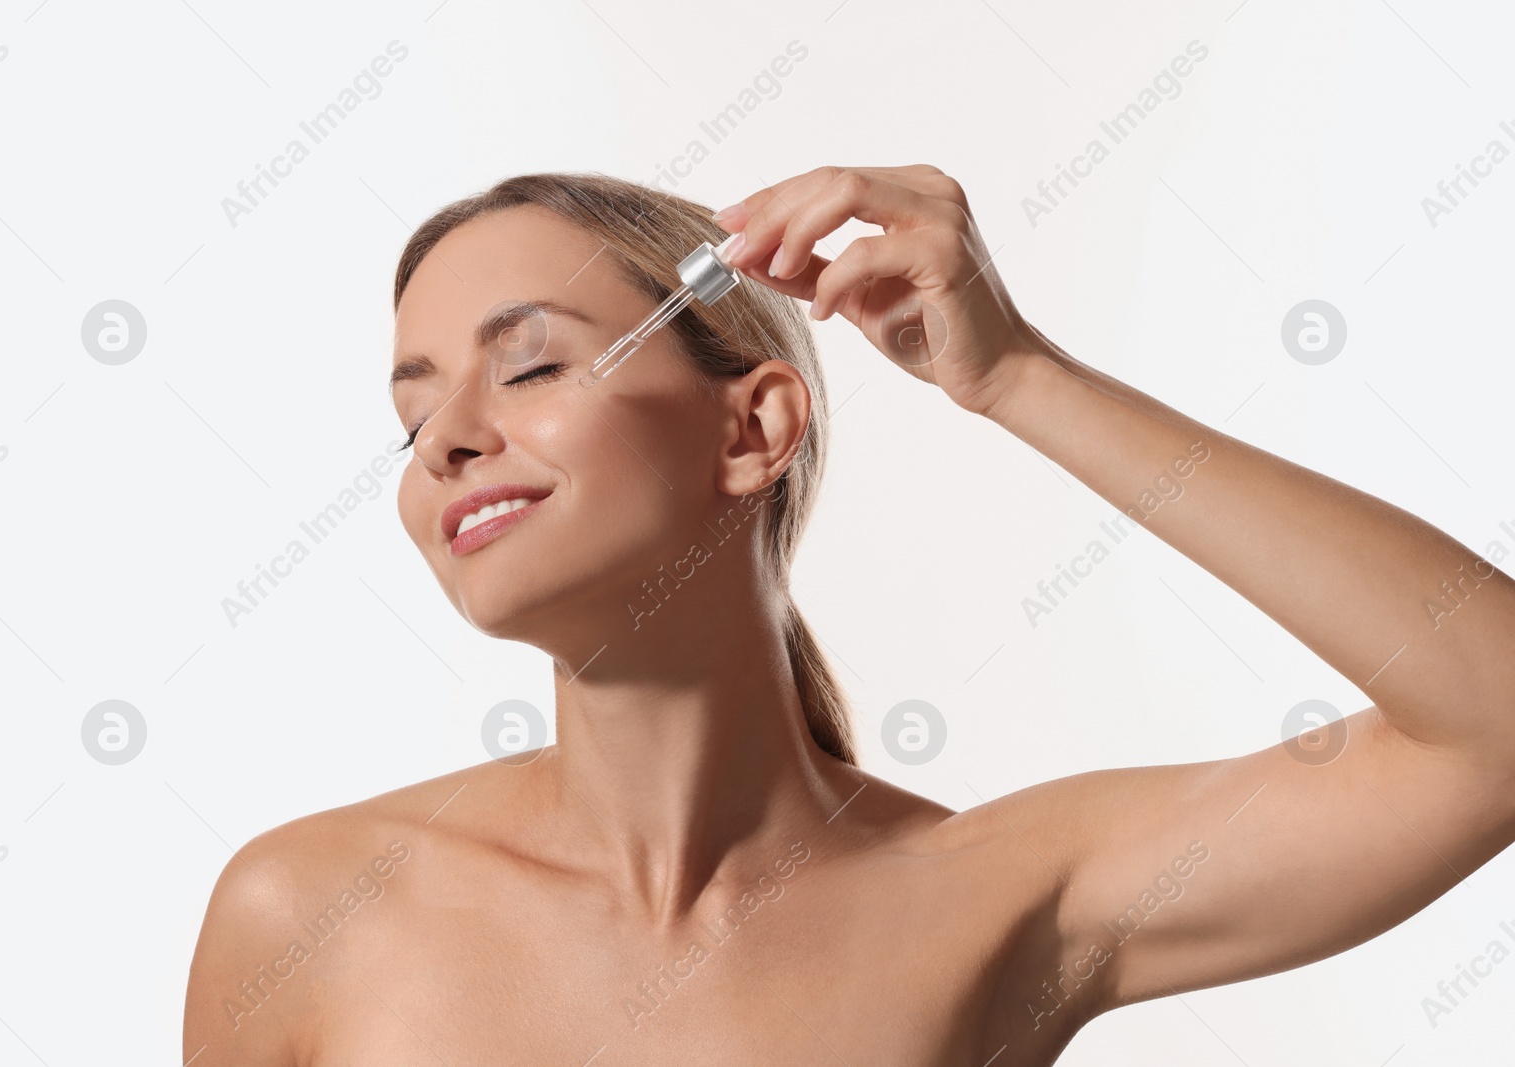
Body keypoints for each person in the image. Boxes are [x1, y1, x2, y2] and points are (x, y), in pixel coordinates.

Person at [183, 165, 1515, 1065]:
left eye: (528, 365)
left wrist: (1019, 377)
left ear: (754, 425)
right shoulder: (303, 913)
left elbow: (1493, 730)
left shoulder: (999, 901)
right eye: (415, 414)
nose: (448, 441)